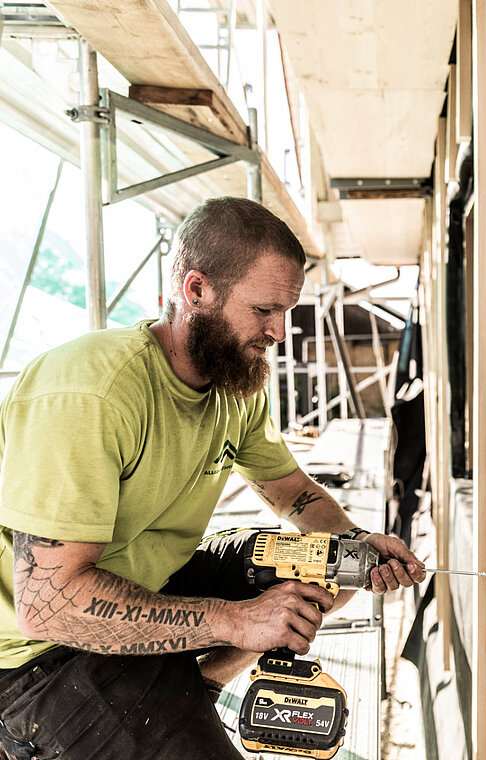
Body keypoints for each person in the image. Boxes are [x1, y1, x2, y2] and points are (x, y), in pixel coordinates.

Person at [0, 196, 425, 759]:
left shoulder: (234, 385)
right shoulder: (92, 393)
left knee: (326, 562)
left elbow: (293, 493)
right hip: (41, 656)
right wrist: (235, 621)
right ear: (196, 291)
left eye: (287, 311)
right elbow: (48, 604)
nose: (279, 331)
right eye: (264, 310)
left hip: (152, 584)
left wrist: (356, 545)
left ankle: (199, 678)